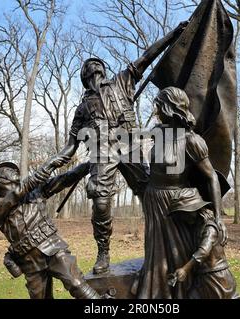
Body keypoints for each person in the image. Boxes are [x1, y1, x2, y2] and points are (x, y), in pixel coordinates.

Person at [55, 22, 188, 274]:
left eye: (96, 65)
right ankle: (103, 251)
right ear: (85, 77)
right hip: (102, 154)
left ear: (103, 69)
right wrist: (50, 167)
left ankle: (162, 245)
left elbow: (148, 56)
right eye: (89, 67)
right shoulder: (82, 108)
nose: (94, 68)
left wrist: (173, 34)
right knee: (101, 203)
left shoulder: (122, 82)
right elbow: (70, 146)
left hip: (129, 145)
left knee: (150, 195)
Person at [134, 87, 229, 298]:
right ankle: (155, 294)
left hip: (175, 205)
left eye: (159, 105)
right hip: (153, 200)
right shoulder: (157, 135)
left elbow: (211, 177)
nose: (156, 110)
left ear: (169, 108)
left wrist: (219, 217)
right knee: (155, 254)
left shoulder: (191, 141)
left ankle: (180, 294)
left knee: (177, 253)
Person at [0, 158, 101, 299]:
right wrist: (51, 163)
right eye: (8, 169)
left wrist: (89, 164)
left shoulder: (36, 192)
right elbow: (18, 192)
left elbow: (64, 179)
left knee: (76, 283)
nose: (14, 170)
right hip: (30, 262)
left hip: (52, 248)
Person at [170, 208, 240, 299]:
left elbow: (203, 251)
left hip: (217, 277)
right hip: (203, 278)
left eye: (186, 213)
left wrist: (185, 269)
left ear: (195, 211)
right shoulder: (197, 227)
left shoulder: (210, 228)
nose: (184, 217)